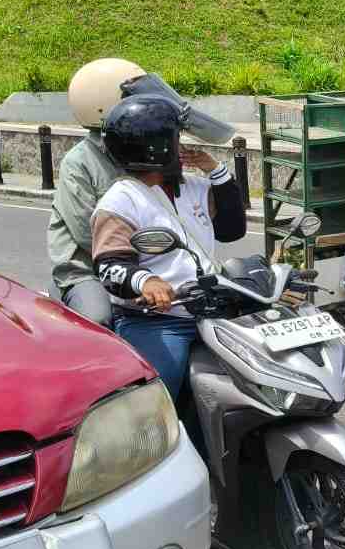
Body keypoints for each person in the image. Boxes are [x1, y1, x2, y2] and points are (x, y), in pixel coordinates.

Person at [89, 94, 246, 415]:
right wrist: (146, 282)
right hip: (158, 321)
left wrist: (217, 171)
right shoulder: (121, 201)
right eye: (176, 140)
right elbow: (108, 264)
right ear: (157, 148)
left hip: (209, 311)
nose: (182, 146)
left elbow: (232, 228)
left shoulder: (193, 188)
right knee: (157, 394)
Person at [49, 58, 236, 326]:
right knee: (101, 319)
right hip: (87, 268)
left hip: (155, 269)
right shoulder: (79, 163)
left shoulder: (154, 155)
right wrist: (139, 276)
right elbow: (85, 233)